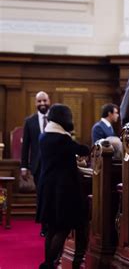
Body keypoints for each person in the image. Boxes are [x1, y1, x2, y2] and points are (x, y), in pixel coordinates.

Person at [36, 104, 90, 269]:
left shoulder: (44, 136)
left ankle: (48, 263)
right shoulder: (62, 139)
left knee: (52, 228)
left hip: (47, 187)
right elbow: (82, 149)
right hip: (61, 189)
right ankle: (48, 264)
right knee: (63, 228)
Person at [20, 90, 50, 237]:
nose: (42, 103)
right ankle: (44, 226)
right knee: (41, 195)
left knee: (53, 195)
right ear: (35, 103)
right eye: (39, 101)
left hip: (54, 164)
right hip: (38, 166)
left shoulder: (55, 119)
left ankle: (53, 224)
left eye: (44, 100)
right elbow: (26, 146)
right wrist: (24, 166)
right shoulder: (29, 121)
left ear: (49, 101)